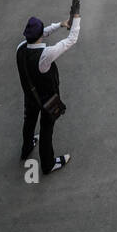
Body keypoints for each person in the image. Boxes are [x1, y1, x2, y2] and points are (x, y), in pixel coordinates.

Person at [16, 14, 81, 175]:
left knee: (29, 122)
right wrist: (76, 19)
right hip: (46, 99)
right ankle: (48, 164)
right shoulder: (45, 55)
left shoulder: (21, 47)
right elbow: (71, 40)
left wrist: (60, 24)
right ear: (39, 35)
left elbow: (41, 33)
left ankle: (27, 147)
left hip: (30, 96)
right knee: (46, 130)